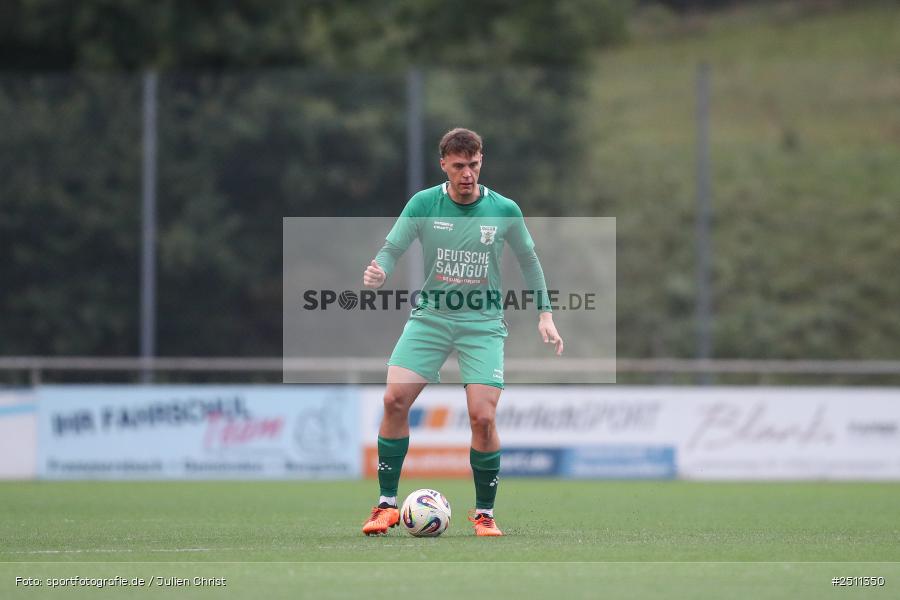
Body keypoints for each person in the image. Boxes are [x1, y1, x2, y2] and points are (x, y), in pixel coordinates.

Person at [361, 128, 563, 537]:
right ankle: (385, 506)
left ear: (481, 161)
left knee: (482, 418)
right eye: (458, 166)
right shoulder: (424, 203)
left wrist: (545, 314)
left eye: (473, 164)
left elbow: (529, 261)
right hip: (431, 319)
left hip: (482, 326)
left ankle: (484, 514)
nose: (467, 173)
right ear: (444, 166)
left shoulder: (504, 210)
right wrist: (380, 267)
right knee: (394, 399)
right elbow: (393, 246)